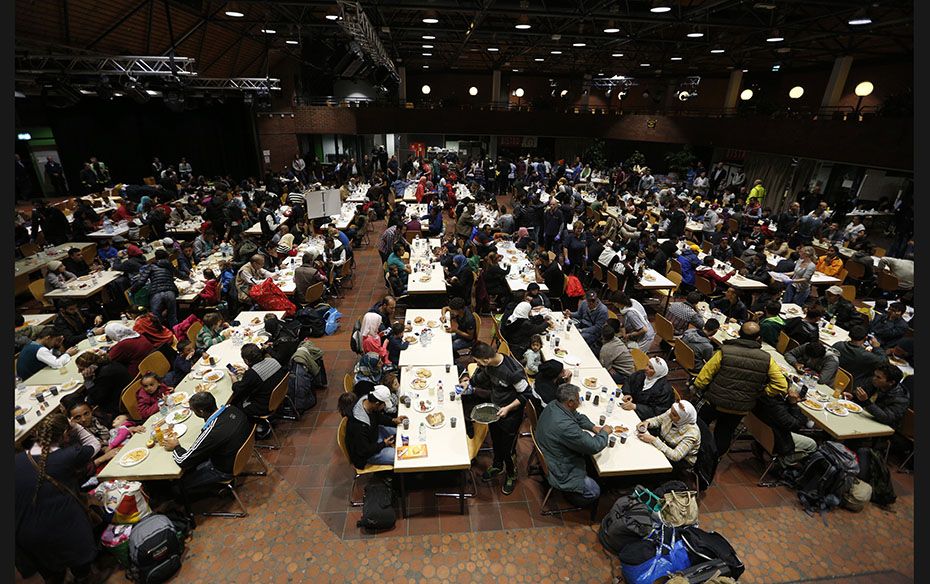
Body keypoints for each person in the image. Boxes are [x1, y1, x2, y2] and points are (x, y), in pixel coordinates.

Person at [15, 413, 103, 584]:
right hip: (62, 526)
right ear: (65, 434)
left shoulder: (17, 460)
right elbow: (94, 444)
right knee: (80, 565)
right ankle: (84, 576)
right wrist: (75, 425)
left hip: (26, 534)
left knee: (52, 569)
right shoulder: (69, 455)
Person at [694, 321, 788, 455]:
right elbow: (781, 385)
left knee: (699, 425)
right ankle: (713, 459)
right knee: (724, 433)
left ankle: (695, 451)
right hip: (740, 407)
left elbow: (703, 377)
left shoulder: (725, 351)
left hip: (715, 400)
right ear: (758, 338)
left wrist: (700, 389)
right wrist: (762, 392)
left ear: (739, 334)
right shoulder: (767, 359)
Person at [534, 383, 609, 507]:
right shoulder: (566, 427)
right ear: (570, 402)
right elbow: (594, 446)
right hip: (559, 467)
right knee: (594, 491)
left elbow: (577, 416)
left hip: (549, 451)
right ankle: (571, 495)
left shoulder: (555, 404)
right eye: (578, 399)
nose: (579, 402)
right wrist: (604, 433)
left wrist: (592, 427)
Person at [162, 392, 252, 493]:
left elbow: (184, 461)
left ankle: (216, 492)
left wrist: (176, 446)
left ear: (201, 411)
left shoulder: (213, 432)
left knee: (178, 487)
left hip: (224, 469)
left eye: (193, 410)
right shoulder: (231, 408)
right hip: (241, 455)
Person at [471, 342, 530, 495]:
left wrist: (508, 408)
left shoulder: (512, 372)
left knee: (508, 448)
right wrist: (468, 382)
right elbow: (481, 378)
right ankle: (497, 465)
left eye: (478, 362)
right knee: (496, 440)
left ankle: (511, 473)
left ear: (485, 360)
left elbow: (526, 394)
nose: (478, 364)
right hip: (494, 408)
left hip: (510, 414)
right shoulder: (489, 365)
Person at [751, 384, 818, 470]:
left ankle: (760, 447)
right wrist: (794, 404)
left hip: (758, 429)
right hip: (775, 438)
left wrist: (788, 401)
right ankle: (779, 463)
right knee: (812, 444)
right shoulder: (775, 405)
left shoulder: (762, 390)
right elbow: (796, 425)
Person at [229, 344, 287, 429]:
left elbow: (237, 389)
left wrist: (233, 377)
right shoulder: (272, 360)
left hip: (266, 406)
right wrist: (247, 372)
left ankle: (255, 427)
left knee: (235, 404)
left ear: (246, 361)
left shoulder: (252, 374)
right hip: (281, 394)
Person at [338, 388, 401, 468]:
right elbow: (364, 451)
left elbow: (378, 417)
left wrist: (393, 420)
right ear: (377, 403)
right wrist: (383, 444)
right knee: (400, 455)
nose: (384, 407)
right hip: (368, 454)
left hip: (374, 436)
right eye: (384, 405)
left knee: (401, 432)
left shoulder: (367, 402)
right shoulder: (358, 426)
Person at [636, 400, 701, 468]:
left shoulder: (692, 434)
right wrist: (647, 423)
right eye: (671, 411)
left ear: (683, 419)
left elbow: (675, 456)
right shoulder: (673, 412)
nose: (670, 414)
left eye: (674, 415)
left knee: (646, 465)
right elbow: (658, 420)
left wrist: (654, 440)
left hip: (680, 462)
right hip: (664, 444)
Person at [843, 364, 909, 429]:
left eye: (878, 377)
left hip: (881, 429)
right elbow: (863, 394)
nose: (874, 378)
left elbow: (886, 418)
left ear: (891, 382)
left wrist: (866, 402)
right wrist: (853, 396)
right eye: (874, 375)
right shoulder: (875, 383)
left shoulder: (901, 399)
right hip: (865, 417)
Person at [133, 249, 180, 327]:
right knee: (172, 317)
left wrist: (132, 290)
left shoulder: (150, 266)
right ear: (167, 257)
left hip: (156, 293)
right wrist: (188, 277)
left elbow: (141, 281)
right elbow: (179, 275)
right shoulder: (169, 265)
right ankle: (177, 336)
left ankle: (160, 336)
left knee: (156, 319)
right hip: (170, 292)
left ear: (156, 258)